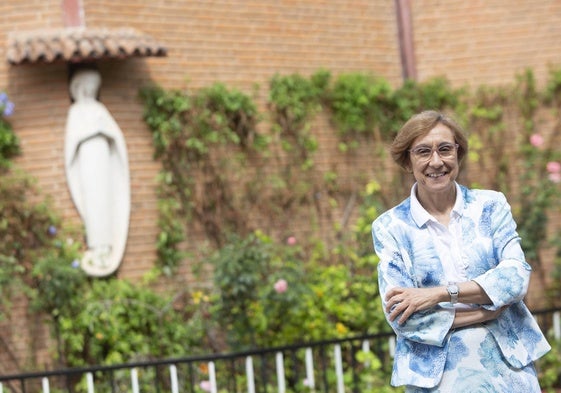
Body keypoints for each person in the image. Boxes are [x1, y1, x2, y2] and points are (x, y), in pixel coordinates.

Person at [371, 110, 550, 392]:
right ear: (408, 160)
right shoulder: (390, 227)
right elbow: (404, 318)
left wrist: (438, 294)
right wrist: (487, 311)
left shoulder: (490, 206)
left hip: (510, 371)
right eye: (423, 151)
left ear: (458, 153)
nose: (436, 161)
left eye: (445, 149)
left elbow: (515, 279)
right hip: (439, 380)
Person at [65, 67, 131, 277]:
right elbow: (72, 140)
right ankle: (97, 246)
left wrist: (103, 131)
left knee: (104, 200)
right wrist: (93, 130)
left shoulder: (100, 109)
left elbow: (116, 136)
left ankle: (107, 246)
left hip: (103, 158)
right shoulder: (75, 111)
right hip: (87, 159)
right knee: (93, 202)